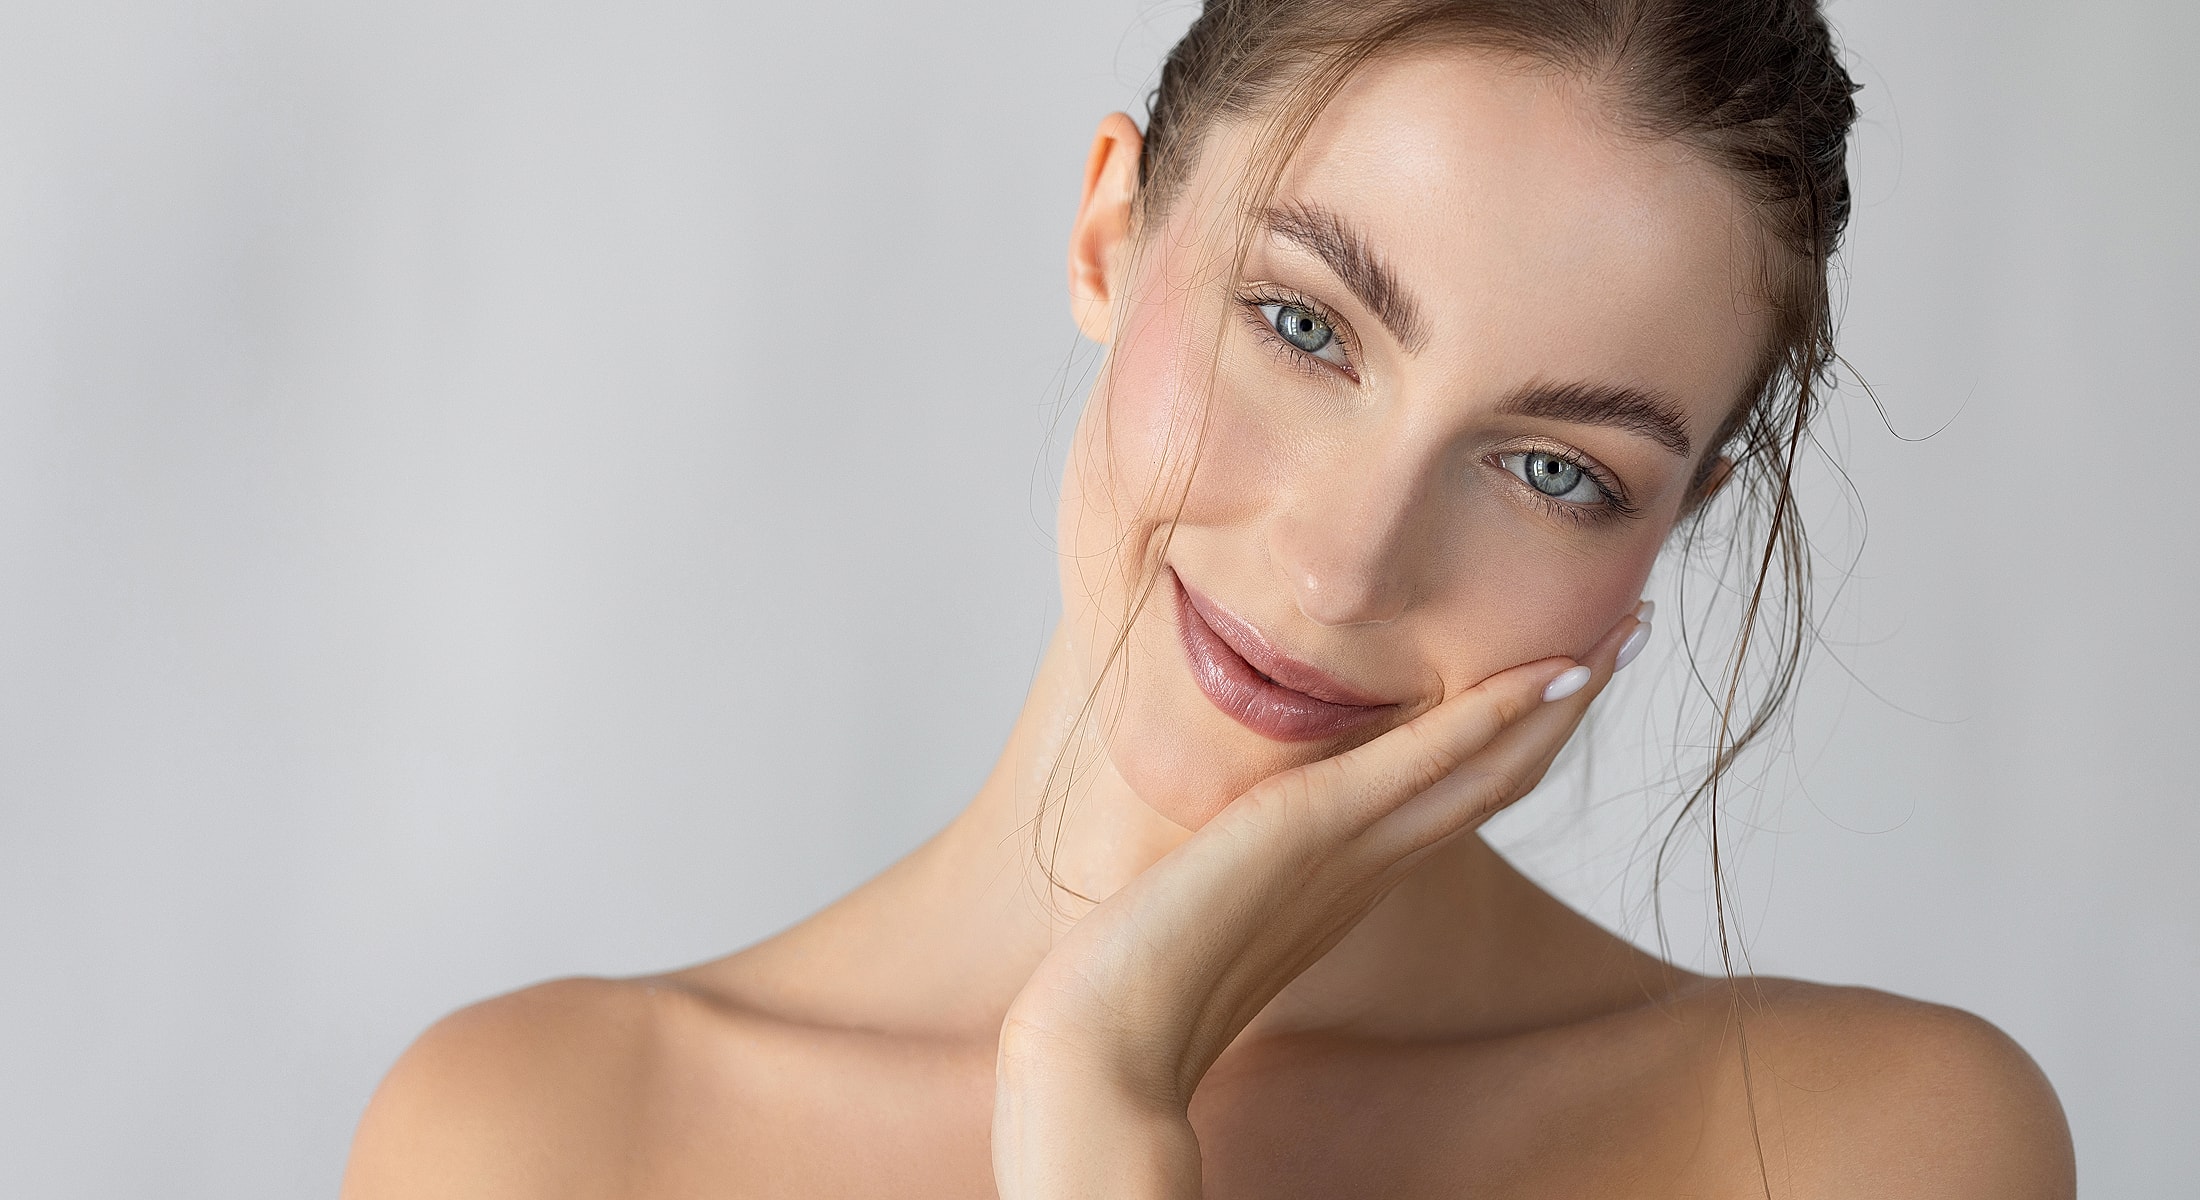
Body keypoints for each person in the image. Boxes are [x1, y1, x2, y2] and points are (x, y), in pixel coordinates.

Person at [341, 2, 2076, 1195]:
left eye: (1556, 470)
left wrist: (1102, 1100)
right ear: (1110, 233)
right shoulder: (540, 1141)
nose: (1343, 565)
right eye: (1304, 324)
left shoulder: (1855, 1150)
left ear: (1676, 525)